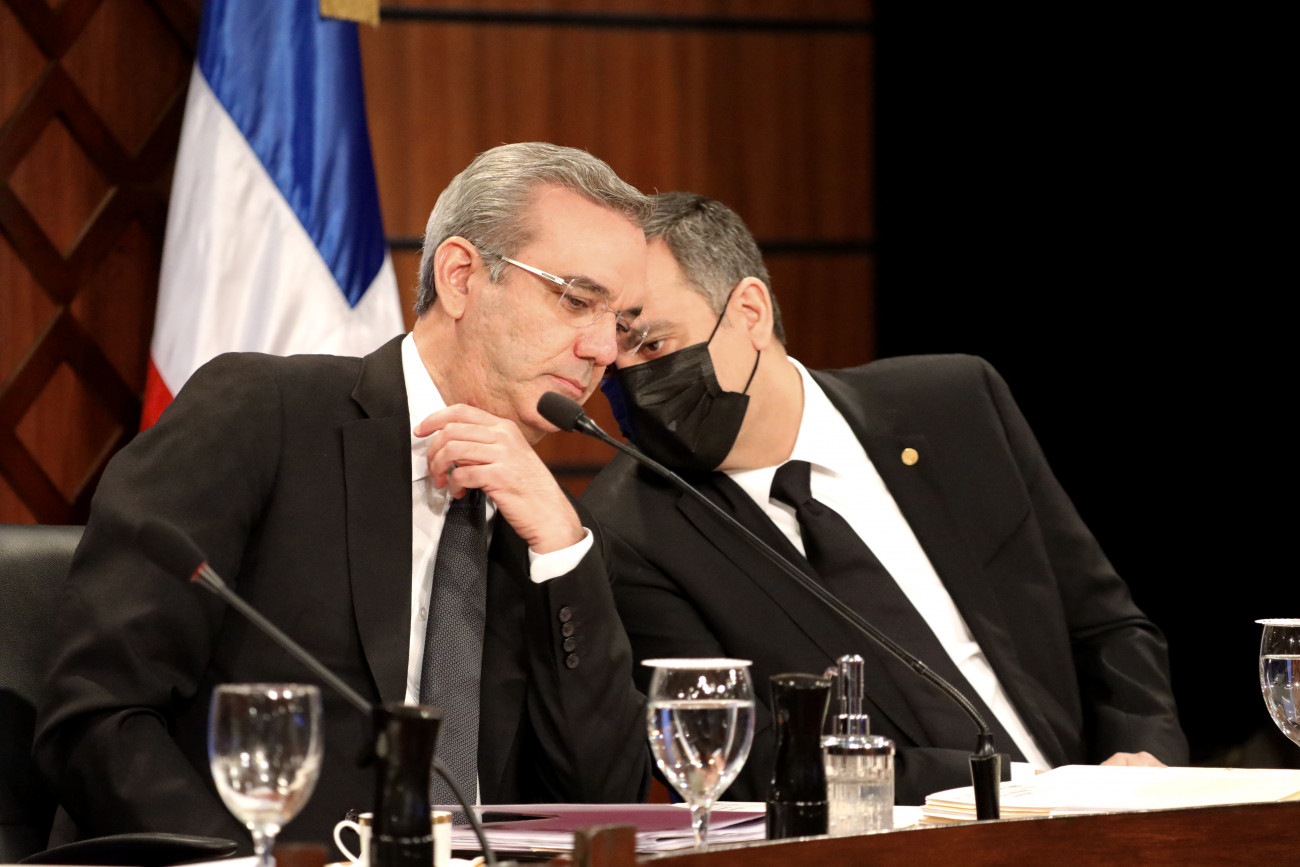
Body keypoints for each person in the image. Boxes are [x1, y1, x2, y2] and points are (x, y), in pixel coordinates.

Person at [34, 143, 655, 850]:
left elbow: (605, 807)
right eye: (577, 300)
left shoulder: (552, 534)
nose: (604, 349)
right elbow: (97, 716)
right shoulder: (264, 417)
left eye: (622, 323)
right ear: (460, 277)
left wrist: (564, 553)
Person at [582, 192, 1189, 805]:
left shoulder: (954, 404)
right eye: (611, 359)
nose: (632, 380)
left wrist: (1143, 760)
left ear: (750, 312)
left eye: (653, 346)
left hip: (1113, 809)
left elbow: (1106, 625)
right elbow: (750, 761)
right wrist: (1017, 788)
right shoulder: (627, 530)